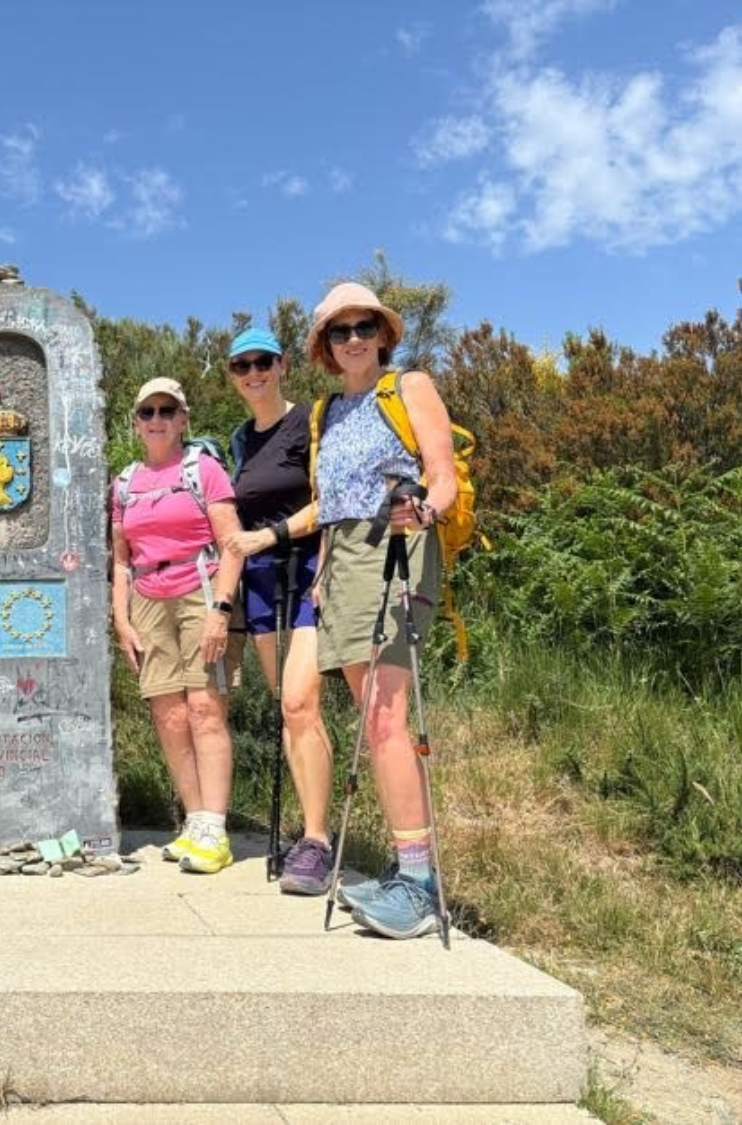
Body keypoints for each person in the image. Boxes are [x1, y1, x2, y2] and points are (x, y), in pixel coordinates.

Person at [306, 282, 457, 939]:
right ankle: (405, 868)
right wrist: (320, 568)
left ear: (383, 334)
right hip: (342, 560)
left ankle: (419, 886)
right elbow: (329, 500)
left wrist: (426, 506)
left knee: (388, 715)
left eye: (364, 326)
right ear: (326, 347)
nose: (354, 339)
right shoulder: (326, 413)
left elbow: (442, 472)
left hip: (396, 542)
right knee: (372, 719)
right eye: (340, 332)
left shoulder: (409, 387)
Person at [112, 377, 245, 874]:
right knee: (168, 715)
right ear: (135, 422)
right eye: (147, 411)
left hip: (201, 590)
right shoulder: (123, 484)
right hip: (148, 596)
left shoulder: (203, 471)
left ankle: (215, 826)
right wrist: (121, 619)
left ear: (184, 419)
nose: (157, 419)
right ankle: (194, 822)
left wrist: (221, 611)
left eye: (167, 410)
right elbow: (122, 560)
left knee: (205, 708)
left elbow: (232, 543)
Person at [222, 327, 335, 895]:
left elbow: (330, 499)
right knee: (289, 710)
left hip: (309, 575)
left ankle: (315, 840)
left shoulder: (311, 422)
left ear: (282, 364)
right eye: (241, 366)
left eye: (261, 362)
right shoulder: (241, 439)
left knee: (299, 703)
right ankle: (310, 836)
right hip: (265, 586)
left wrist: (269, 537)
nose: (252, 374)